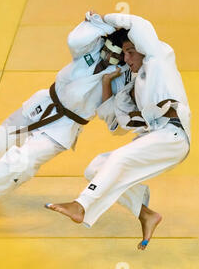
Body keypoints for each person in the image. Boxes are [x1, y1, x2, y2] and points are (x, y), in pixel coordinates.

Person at [0, 11, 132, 207]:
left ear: (125, 58)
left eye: (116, 55)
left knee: (21, 163)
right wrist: (103, 25)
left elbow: (114, 116)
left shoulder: (122, 78)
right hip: (42, 104)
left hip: (63, 129)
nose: (108, 56)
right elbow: (74, 41)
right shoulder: (92, 48)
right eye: (107, 49)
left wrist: (107, 83)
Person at [46, 13, 191, 250]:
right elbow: (115, 125)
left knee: (119, 159)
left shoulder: (158, 60)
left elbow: (140, 24)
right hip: (154, 137)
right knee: (94, 168)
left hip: (172, 136)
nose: (127, 57)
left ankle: (81, 205)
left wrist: (105, 20)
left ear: (144, 48)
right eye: (124, 54)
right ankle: (146, 215)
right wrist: (106, 84)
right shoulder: (132, 86)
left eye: (131, 51)